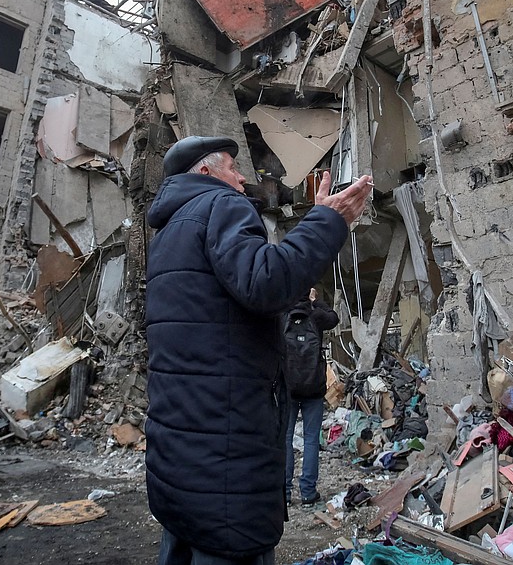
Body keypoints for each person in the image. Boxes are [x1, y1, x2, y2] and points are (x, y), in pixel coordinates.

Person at [145, 136, 372, 565]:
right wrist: (327, 221)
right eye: (233, 166)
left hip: (179, 460)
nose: (242, 176)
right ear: (207, 173)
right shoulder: (220, 206)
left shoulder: (167, 234)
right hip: (226, 461)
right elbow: (264, 283)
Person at [282, 287, 338, 508]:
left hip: (288, 388)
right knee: (311, 439)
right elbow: (333, 316)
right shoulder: (316, 316)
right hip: (313, 388)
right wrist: (316, 302)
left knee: (285, 439)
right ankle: (308, 493)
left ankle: (284, 493)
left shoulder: (282, 316)